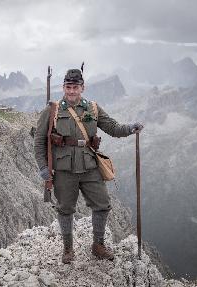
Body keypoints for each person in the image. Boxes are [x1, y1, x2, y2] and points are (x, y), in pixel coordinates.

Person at [34, 68, 143, 264]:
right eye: (68, 87)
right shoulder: (52, 110)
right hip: (64, 169)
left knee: (102, 205)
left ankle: (98, 245)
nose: (72, 91)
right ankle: (68, 249)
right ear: (64, 87)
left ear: (82, 88)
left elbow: (112, 127)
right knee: (65, 209)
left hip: (90, 167)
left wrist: (129, 129)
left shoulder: (93, 108)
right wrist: (43, 167)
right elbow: (39, 140)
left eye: (75, 87)